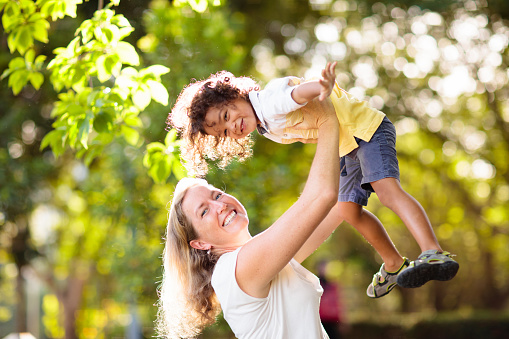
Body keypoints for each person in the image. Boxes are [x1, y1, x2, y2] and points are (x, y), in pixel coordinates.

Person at [169, 62, 459, 298]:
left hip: (366, 130)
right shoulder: (265, 126)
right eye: (222, 131)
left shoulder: (267, 103)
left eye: (226, 115)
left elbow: (293, 95)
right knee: (347, 210)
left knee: (387, 191)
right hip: (348, 147)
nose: (232, 126)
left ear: (235, 96)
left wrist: (320, 87)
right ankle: (394, 264)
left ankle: (433, 251)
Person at [156, 97, 341, 338]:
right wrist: (327, 119)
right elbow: (321, 197)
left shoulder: (268, 260)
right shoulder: (232, 271)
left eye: (217, 194)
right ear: (200, 244)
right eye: (203, 211)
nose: (219, 205)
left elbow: (340, 206)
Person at [317, 260, 347, 339]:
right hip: (319, 320)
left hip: (332, 321)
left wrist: (342, 320)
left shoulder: (333, 286)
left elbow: (338, 303)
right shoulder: (314, 284)